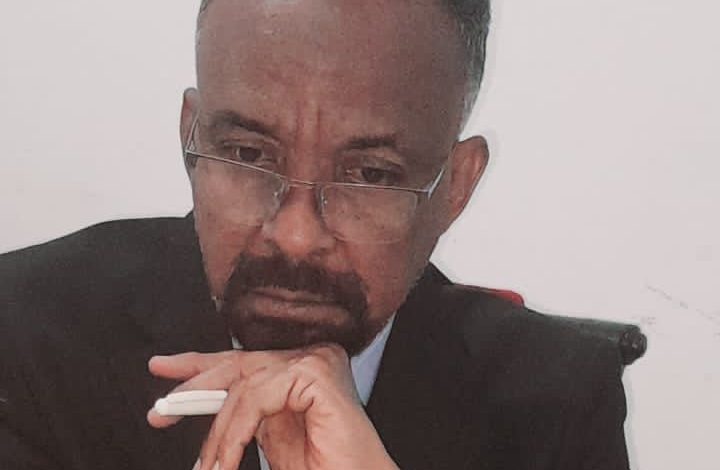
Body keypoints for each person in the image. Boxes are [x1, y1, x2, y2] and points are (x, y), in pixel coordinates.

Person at [0, 0, 631, 469]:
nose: (297, 235)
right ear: (192, 140)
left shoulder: (556, 406)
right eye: (248, 154)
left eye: (370, 174)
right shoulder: (24, 336)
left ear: (455, 187)